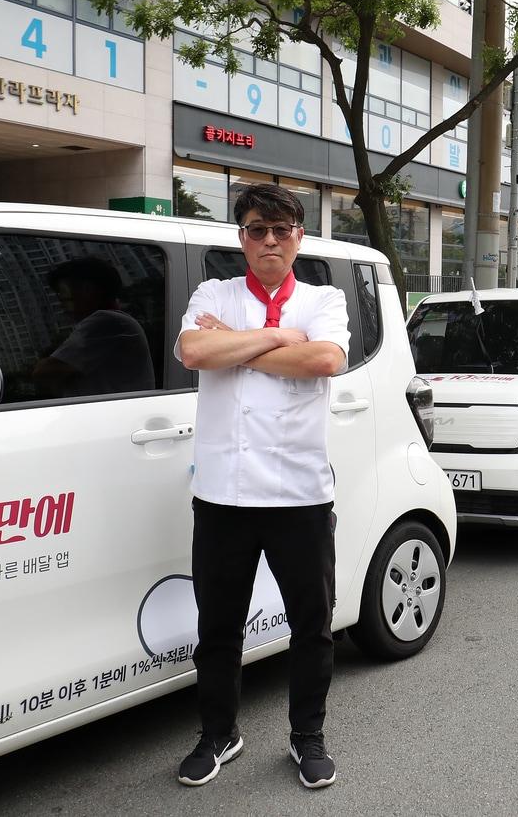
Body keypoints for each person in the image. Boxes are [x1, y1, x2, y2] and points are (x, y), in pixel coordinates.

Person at [173, 183, 350, 790]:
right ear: (241, 238)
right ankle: (217, 735)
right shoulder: (212, 293)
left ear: (299, 237)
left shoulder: (324, 298)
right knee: (217, 626)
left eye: (280, 230)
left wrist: (237, 347)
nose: (268, 240)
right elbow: (195, 351)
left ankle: (307, 738)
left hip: (300, 492)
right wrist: (279, 338)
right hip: (222, 493)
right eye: (256, 229)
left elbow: (324, 362)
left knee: (312, 625)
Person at [33, 256, 155, 398]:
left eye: (65, 296)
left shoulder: (107, 321)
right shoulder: (117, 322)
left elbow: (43, 372)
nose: (62, 306)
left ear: (88, 290)